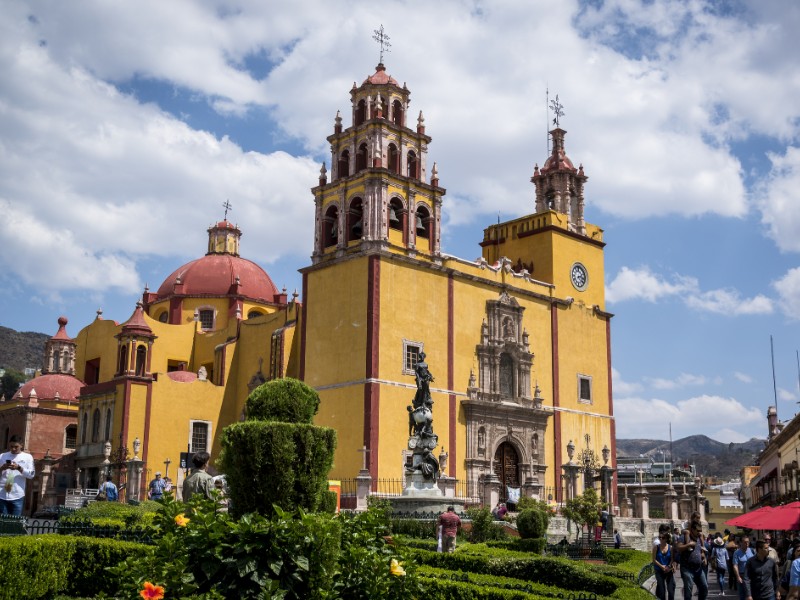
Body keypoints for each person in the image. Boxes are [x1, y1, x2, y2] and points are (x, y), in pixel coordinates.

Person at [0, 435, 35, 516]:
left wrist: (19, 468)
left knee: (15, 523)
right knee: (2, 523)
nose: (13, 449)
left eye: (16, 447)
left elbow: (31, 475)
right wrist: (2, 468)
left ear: (21, 445)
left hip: (17, 495)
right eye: (11, 446)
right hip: (2, 495)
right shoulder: (2, 456)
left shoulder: (28, 457)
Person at [677, 520, 709, 600]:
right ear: (692, 529)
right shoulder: (684, 537)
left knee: (704, 587)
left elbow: (702, 549)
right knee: (688, 590)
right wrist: (689, 544)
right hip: (687, 568)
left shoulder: (699, 538)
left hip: (698, 568)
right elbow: (679, 548)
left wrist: (704, 557)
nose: (699, 532)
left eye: (700, 530)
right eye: (697, 530)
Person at [654, 528, 676, 600]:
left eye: (663, 538)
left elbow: (672, 558)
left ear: (666, 539)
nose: (661, 539)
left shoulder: (671, 547)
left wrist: (669, 566)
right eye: (659, 537)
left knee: (671, 591)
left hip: (668, 570)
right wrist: (662, 566)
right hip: (659, 570)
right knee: (662, 591)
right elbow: (654, 560)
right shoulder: (656, 547)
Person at [733, 535, 755, 600]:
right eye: (745, 542)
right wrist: (738, 576)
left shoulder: (752, 551)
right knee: (742, 594)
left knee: (751, 594)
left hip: (751, 575)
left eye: (748, 542)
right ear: (741, 543)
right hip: (742, 575)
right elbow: (735, 565)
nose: (747, 544)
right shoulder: (736, 553)